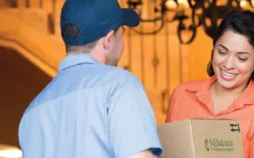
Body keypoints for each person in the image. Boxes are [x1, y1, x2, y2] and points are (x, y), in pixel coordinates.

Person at [18, 0, 162, 158]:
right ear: (108, 41)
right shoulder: (119, 86)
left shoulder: (32, 112)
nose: (122, 46)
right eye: (121, 35)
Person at [166, 10, 254, 158]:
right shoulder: (183, 94)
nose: (228, 64)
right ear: (213, 48)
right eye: (222, 52)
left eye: (241, 58)